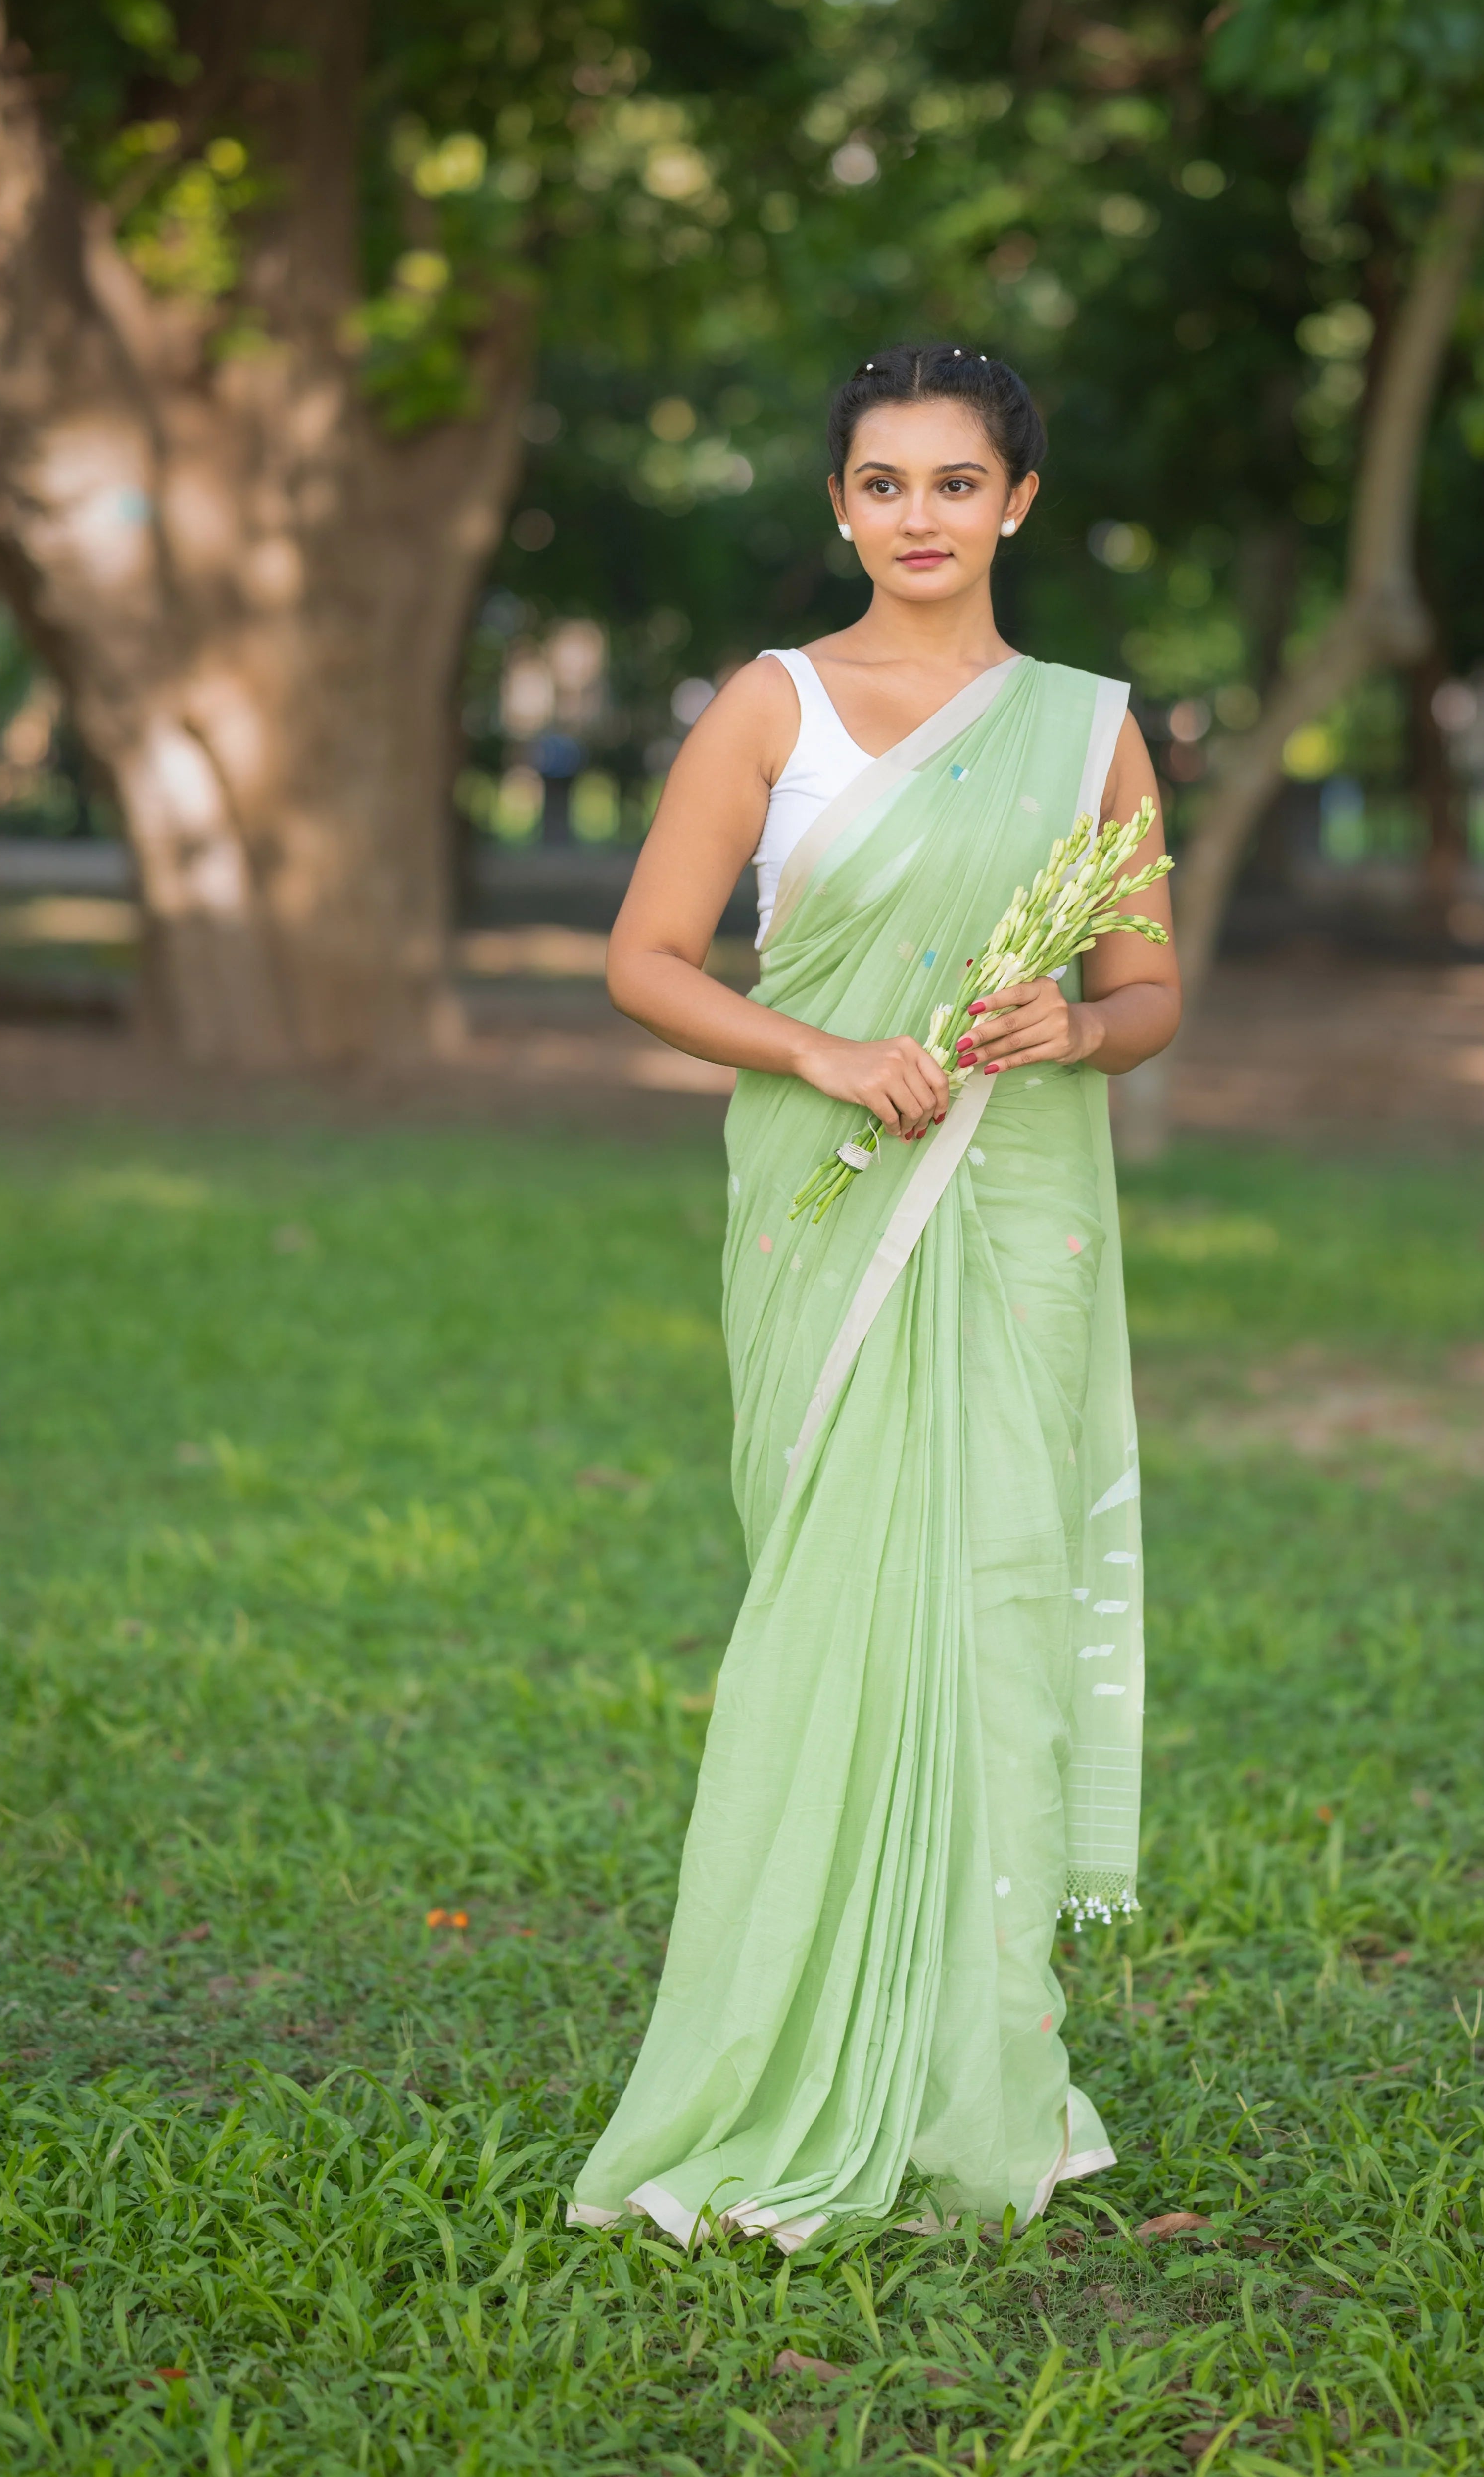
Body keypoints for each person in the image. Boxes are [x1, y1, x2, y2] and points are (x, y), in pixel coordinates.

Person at [569, 341, 1180, 2250]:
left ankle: (973, 2076)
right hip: (819, 1205)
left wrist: (1078, 1029)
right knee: (823, 1606)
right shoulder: (775, 705)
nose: (921, 515)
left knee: (991, 1611)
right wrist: (826, 1053)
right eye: (884, 482)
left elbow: (1149, 993)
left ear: (1019, 503)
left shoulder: (1086, 729)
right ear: (841, 505)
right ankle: (776, 2056)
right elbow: (648, 961)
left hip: (1014, 1213)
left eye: (956, 481)